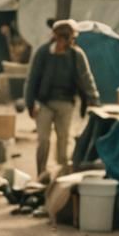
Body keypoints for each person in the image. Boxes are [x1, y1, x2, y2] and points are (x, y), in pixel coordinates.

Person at [24, 19, 99, 182]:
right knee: (43, 140)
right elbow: (32, 79)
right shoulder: (43, 53)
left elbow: (86, 78)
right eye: (63, 38)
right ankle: (41, 174)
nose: (66, 42)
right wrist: (30, 103)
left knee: (64, 140)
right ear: (56, 37)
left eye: (69, 38)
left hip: (66, 102)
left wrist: (94, 99)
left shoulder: (76, 55)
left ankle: (63, 176)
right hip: (45, 103)